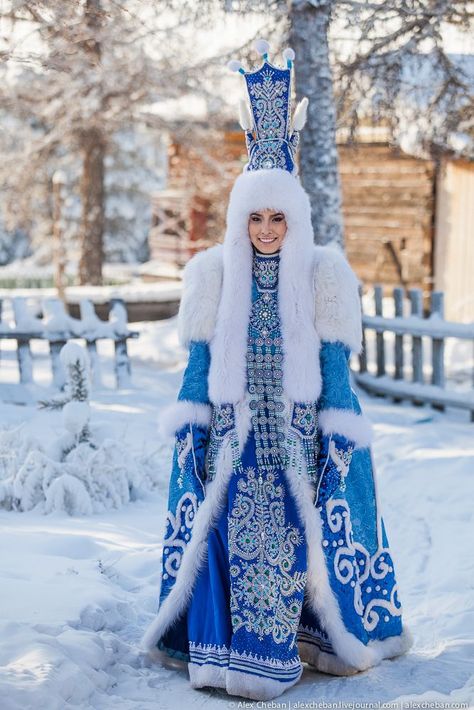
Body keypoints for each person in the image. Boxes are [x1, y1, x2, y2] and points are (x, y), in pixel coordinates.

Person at [141, 39, 412, 701]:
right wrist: (191, 429)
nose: (266, 230)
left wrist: (341, 437)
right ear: (240, 219)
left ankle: (269, 661)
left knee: (289, 546)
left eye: (278, 218)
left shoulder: (325, 276)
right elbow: (198, 368)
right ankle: (220, 658)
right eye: (255, 217)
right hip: (234, 441)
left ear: (295, 218)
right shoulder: (212, 276)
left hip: (296, 441)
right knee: (227, 544)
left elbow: (334, 370)